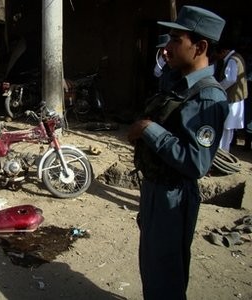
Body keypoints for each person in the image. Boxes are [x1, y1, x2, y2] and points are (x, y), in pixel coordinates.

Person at [127, 6, 229, 300]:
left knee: (165, 276)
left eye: (175, 40)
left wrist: (149, 130)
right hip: (156, 188)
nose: (167, 48)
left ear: (200, 47)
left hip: (174, 194)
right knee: (152, 267)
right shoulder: (179, 85)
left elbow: (197, 162)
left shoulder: (208, 97)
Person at [212, 44, 249, 151]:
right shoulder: (237, 57)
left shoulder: (232, 60)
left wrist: (218, 87)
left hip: (232, 98)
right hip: (235, 98)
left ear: (223, 51)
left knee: (226, 126)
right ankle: (224, 150)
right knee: (228, 127)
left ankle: (222, 151)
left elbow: (230, 79)